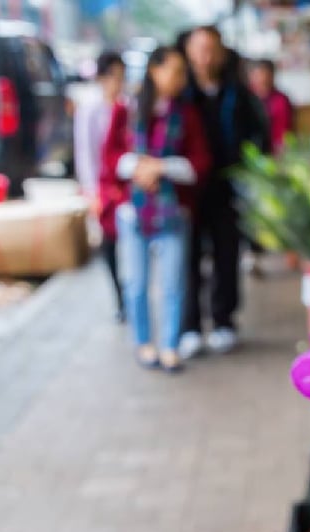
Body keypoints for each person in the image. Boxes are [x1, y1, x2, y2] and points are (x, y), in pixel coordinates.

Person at [102, 46, 211, 373]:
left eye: (183, 73)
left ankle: (170, 346)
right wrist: (138, 167)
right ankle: (143, 342)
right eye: (174, 71)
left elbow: (200, 164)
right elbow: (109, 158)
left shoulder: (187, 115)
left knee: (173, 284)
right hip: (133, 213)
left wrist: (160, 168)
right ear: (154, 70)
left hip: (174, 213)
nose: (180, 79)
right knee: (135, 283)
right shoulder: (128, 111)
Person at [177, 26, 270, 359]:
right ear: (188, 51)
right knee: (185, 258)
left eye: (212, 48)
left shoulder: (236, 92)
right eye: (200, 48)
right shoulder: (179, 91)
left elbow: (259, 135)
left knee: (226, 254)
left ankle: (223, 320)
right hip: (186, 188)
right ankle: (189, 326)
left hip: (226, 185)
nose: (206, 55)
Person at [74, 51, 126, 322]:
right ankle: (120, 295)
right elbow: (86, 152)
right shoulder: (90, 109)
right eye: (113, 77)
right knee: (109, 243)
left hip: (125, 188)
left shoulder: (127, 106)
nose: (118, 83)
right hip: (104, 189)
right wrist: (93, 191)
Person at [248, 59, 294, 154]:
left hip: (275, 153)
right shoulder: (244, 97)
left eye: (266, 75)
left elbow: (284, 132)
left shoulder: (281, 100)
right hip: (249, 152)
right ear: (251, 76)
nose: (262, 79)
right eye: (258, 75)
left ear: (272, 76)